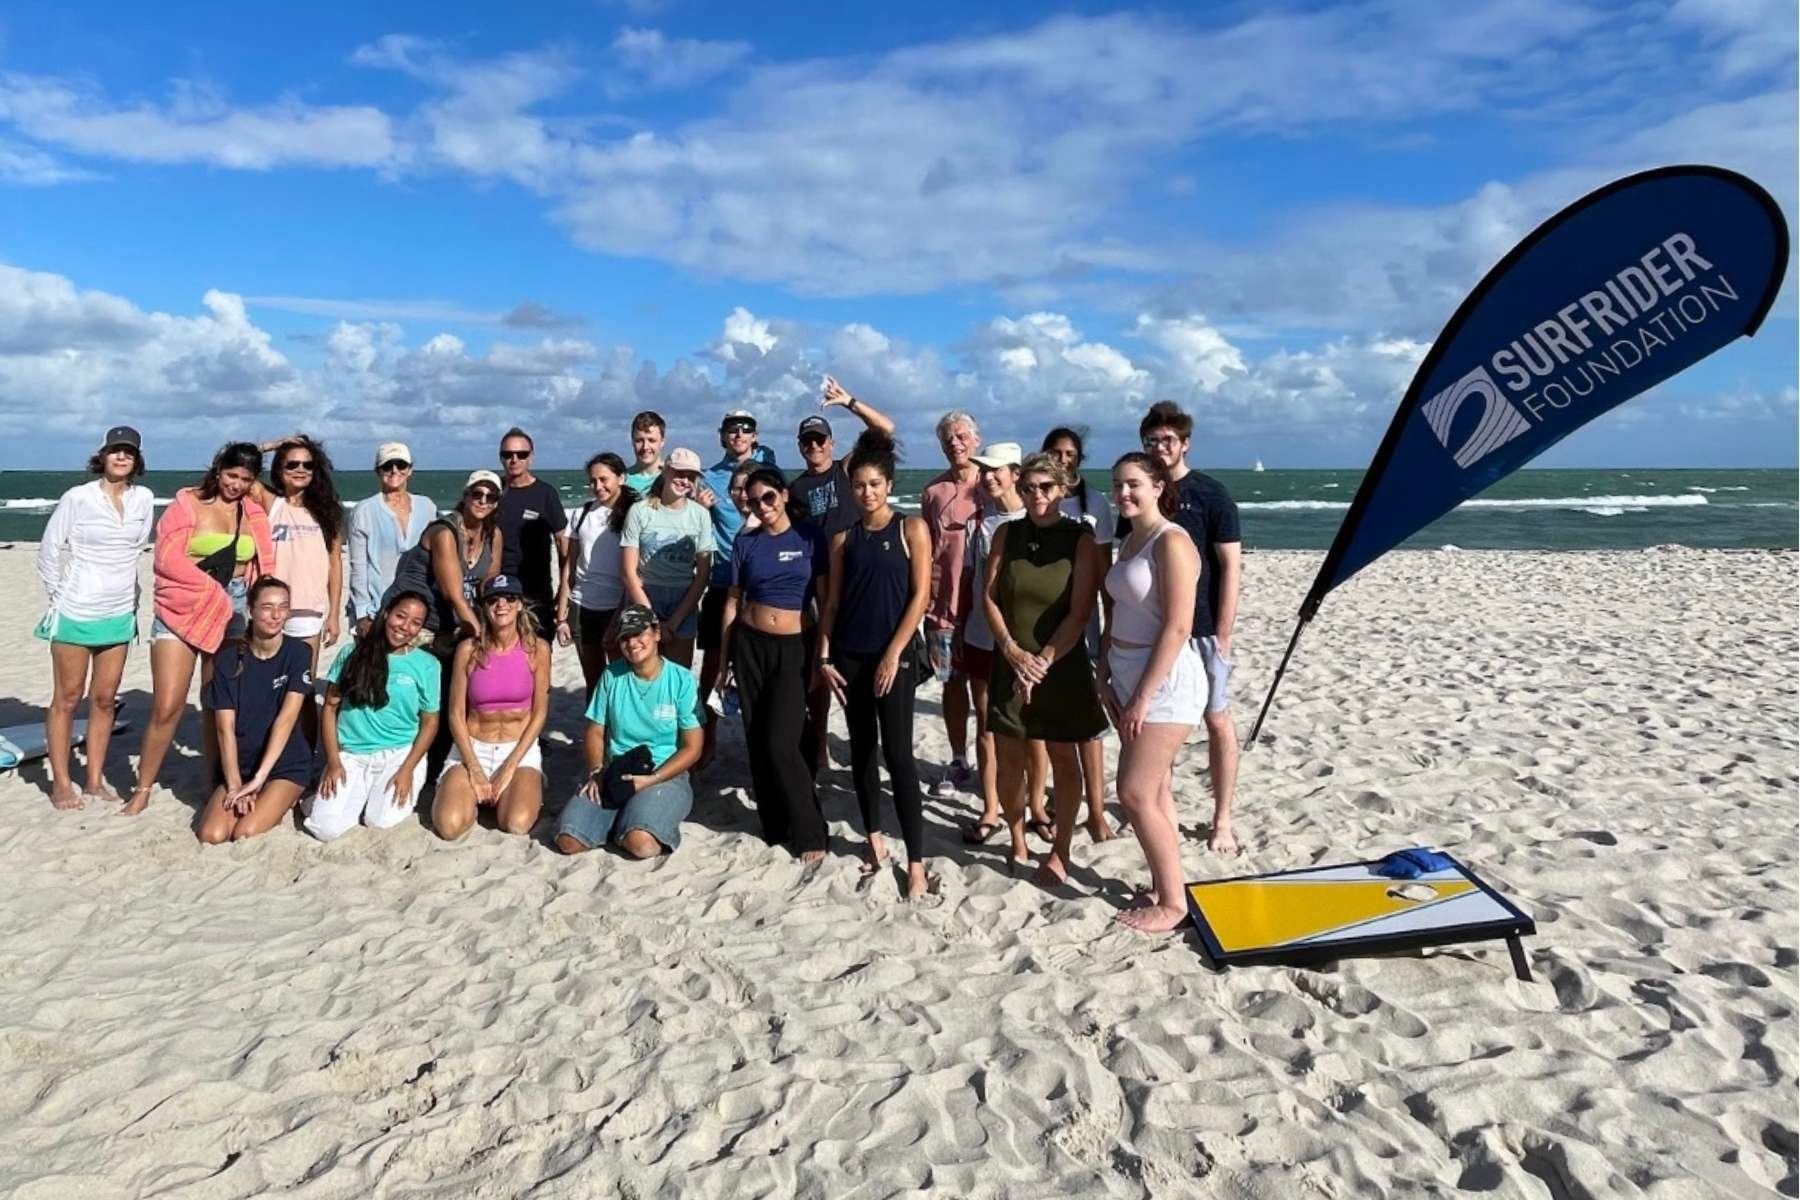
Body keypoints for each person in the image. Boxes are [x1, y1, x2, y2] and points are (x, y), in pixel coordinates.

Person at [816, 430, 934, 898]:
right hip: (849, 656)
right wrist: (824, 655)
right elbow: (832, 603)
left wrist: (894, 653)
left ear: (888, 485)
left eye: (874, 484)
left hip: (895, 658)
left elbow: (920, 596)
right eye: (859, 485)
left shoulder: (911, 528)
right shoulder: (843, 538)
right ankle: (874, 841)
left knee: (900, 757)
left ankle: (917, 861)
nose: (867, 492)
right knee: (862, 752)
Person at [131, 442, 277, 815]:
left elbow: (263, 566)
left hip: (234, 610)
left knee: (218, 703)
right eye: (231, 475)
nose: (237, 484)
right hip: (184, 606)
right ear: (217, 470)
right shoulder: (187, 504)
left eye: (246, 478)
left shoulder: (254, 513)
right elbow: (166, 559)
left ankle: (215, 781)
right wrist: (210, 590)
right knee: (168, 705)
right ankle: (143, 786)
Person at [981, 452, 1107, 881]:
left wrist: (1043, 662)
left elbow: (1081, 612)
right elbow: (989, 597)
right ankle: (1016, 839)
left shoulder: (1081, 539)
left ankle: (1061, 851)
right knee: (1010, 760)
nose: (1037, 496)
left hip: (1060, 666)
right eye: (1030, 487)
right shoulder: (1006, 533)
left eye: (1046, 488)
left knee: (1063, 759)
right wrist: (1013, 653)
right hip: (1011, 661)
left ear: (1063, 489)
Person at [1100, 453, 1204, 932]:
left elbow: (1179, 625)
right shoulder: (1131, 540)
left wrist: (1143, 694)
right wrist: (1105, 668)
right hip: (1125, 673)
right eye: (1118, 485)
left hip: (1164, 682)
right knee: (1156, 788)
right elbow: (1120, 609)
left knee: (1135, 792)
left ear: (1159, 486)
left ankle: (1174, 904)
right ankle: (1167, 886)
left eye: (1134, 484)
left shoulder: (1171, 541)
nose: (1124, 493)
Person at [1138, 400, 1243, 854]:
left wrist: (1222, 632)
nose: (1160, 448)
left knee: (1216, 720)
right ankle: (1166, 809)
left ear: (1185, 444)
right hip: (1157, 631)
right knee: (1161, 725)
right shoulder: (1144, 493)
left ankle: (1222, 819)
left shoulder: (1211, 495)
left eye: (1167, 441)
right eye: (1151, 441)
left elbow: (1231, 567)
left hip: (1201, 631)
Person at [34, 425, 155, 810]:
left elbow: (136, 548)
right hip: (75, 611)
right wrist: (63, 594)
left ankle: (93, 780)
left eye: (129, 452)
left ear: (137, 460)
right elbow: (49, 551)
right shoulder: (79, 498)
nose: (121, 457)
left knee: (103, 700)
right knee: (67, 699)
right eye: (115, 451)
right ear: (102, 456)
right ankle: (62, 782)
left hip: (119, 612)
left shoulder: (145, 499)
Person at [716, 468, 829, 862]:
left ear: (782, 495)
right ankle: (774, 823)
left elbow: (825, 600)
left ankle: (811, 831)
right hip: (749, 645)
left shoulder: (808, 536)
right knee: (756, 738)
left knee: (782, 741)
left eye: (768, 497)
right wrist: (723, 660)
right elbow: (733, 601)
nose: (762, 506)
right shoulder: (745, 543)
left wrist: (822, 653)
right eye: (753, 501)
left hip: (794, 647)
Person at [790, 376, 898, 768]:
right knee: (820, 670)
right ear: (800, 448)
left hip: (858, 580)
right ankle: (818, 742)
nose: (814, 446)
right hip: (818, 586)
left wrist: (849, 401)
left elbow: (884, 429)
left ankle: (873, 744)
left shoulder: (847, 470)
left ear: (832, 444)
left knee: (866, 662)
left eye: (820, 440)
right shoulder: (796, 489)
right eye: (807, 442)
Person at [952, 442, 1049, 846]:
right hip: (980, 634)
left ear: (1014, 473)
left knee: (1034, 727)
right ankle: (991, 807)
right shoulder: (979, 523)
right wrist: (958, 627)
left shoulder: (1037, 519)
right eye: (984, 471)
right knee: (986, 722)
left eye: (997, 471)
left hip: (1028, 640)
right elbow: (968, 580)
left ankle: (1038, 806)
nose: (989, 477)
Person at [556, 605, 703, 858]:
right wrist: (596, 771)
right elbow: (594, 731)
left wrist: (653, 779)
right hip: (616, 768)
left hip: (664, 772)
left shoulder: (682, 680)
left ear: (656, 634)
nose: (632, 643)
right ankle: (620, 818)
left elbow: (693, 747)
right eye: (625, 637)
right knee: (569, 840)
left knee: (640, 844)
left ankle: (639, 817)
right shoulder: (611, 676)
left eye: (639, 634)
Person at [305, 590, 441, 841]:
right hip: (352, 754)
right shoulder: (351, 654)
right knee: (327, 830)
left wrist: (407, 769)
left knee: (380, 821)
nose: (405, 627)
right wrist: (334, 762)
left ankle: (367, 796)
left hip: (399, 753)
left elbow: (430, 721)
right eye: (401, 616)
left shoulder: (427, 664)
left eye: (415, 623)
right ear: (387, 613)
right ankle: (323, 799)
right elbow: (330, 708)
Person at [432, 574, 551, 840]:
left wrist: (510, 766)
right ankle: (470, 799)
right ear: (484, 607)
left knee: (516, 823)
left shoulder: (537, 649)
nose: (501, 605)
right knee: (448, 827)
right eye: (493, 600)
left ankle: (516, 791)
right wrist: (473, 767)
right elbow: (454, 713)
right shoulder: (468, 650)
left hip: (517, 747)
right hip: (474, 745)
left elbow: (540, 712)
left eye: (509, 598)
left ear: (520, 604)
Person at [196, 577, 314, 844]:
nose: (275, 615)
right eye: (267, 607)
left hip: (285, 764)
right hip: (241, 764)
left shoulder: (298, 654)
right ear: (250, 610)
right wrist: (237, 785)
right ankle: (250, 792)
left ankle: (284, 795)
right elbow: (224, 728)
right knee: (212, 835)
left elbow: (286, 720)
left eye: (283, 607)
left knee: (245, 832)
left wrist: (259, 780)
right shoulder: (228, 659)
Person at [1043, 426, 1115, 843]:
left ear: (1079, 458)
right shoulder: (1038, 496)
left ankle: (1097, 810)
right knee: (1053, 716)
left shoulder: (1097, 505)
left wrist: (1107, 627)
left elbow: (1104, 571)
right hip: (1044, 617)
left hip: (1084, 617)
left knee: (1089, 720)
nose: (1063, 459)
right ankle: (1058, 798)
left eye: (1070, 454)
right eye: (1056, 452)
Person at [695, 410, 777, 768]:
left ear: (755, 436)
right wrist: (700, 508)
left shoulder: (768, 468)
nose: (739, 435)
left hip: (761, 586)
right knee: (714, 665)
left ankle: (764, 747)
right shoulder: (710, 479)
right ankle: (706, 742)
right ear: (722, 436)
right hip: (722, 582)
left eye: (746, 429)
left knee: (761, 671)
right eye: (732, 429)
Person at [415, 471, 505, 781]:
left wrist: (498, 626)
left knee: (463, 686)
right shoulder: (444, 531)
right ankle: (425, 766)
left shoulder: (493, 535)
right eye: (477, 494)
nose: (483, 501)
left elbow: (487, 588)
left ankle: (450, 758)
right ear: (465, 496)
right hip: (425, 621)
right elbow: (454, 593)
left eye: (490, 497)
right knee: (432, 694)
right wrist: (480, 633)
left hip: (458, 621)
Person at [922, 410, 983, 800]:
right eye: (948, 439)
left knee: (987, 689)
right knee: (952, 684)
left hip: (985, 606)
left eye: (962, 436)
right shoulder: (933, 492)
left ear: (976, 439)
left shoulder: (993, 483)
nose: (955, 443)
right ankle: (960, 759)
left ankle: (994, 761)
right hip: (943, 606)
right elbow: (927, 550)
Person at [252, 435, 344, 665]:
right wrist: (270, 445)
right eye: (292, 464)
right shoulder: (272, 503)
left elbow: (335, 565)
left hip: (309, 611)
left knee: (303, 685)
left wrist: (334, 614)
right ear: (280, 469)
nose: (300, 469)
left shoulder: (326, 512)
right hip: (271, 607)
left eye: (308, 465)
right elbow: (230, 466)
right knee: (267, 679)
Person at [620, 447, 714, 669]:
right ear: (665, 471)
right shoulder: (639, 511)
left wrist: (674, 622)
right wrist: (652, 619)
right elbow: (627, 571)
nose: (683, 480)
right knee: (639, 675)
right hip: (644, 596)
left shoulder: (700, 515)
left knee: (676, 677)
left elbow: (702, 575)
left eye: (690, 476)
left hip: (683, 601)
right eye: (678, 473)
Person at [556, 452, 637, 697]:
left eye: (604, 479)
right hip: (583, 606)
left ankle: (620, 734)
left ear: (621, 478)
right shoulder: (582, 514)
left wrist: (621, 615)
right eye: (593, 481)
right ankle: (597, 734)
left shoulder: (635, 514)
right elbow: (569, 567)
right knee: (594, 682)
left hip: (618, 606)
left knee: (621, 680)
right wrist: (562, 615)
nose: (598, 486)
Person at [348, 442, 437, 638]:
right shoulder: (364, 511)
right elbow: (358, 567)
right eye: (387, 466)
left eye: (401, 465)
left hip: (417, 610)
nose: (394, 470)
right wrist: (363, 614)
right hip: (377, 608)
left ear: (410, 470)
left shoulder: (427, 507)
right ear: (378, 471)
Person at [495, 426, 568, 649]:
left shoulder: (545, 494)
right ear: (501, 458)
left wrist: (563, 592)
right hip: (498, 590)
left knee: (538, 655)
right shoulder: (491, 493)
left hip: (537, 592)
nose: (514, 459)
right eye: (508, 455)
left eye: (521, 454)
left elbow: (563, 544)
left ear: (531, 458)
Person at [624, 410, 667, 495]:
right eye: (639, 440)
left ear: (662, 442)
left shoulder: (671, 479)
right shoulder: (622, 480)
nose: (645, 447)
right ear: (632, 441)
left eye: (651, 440)